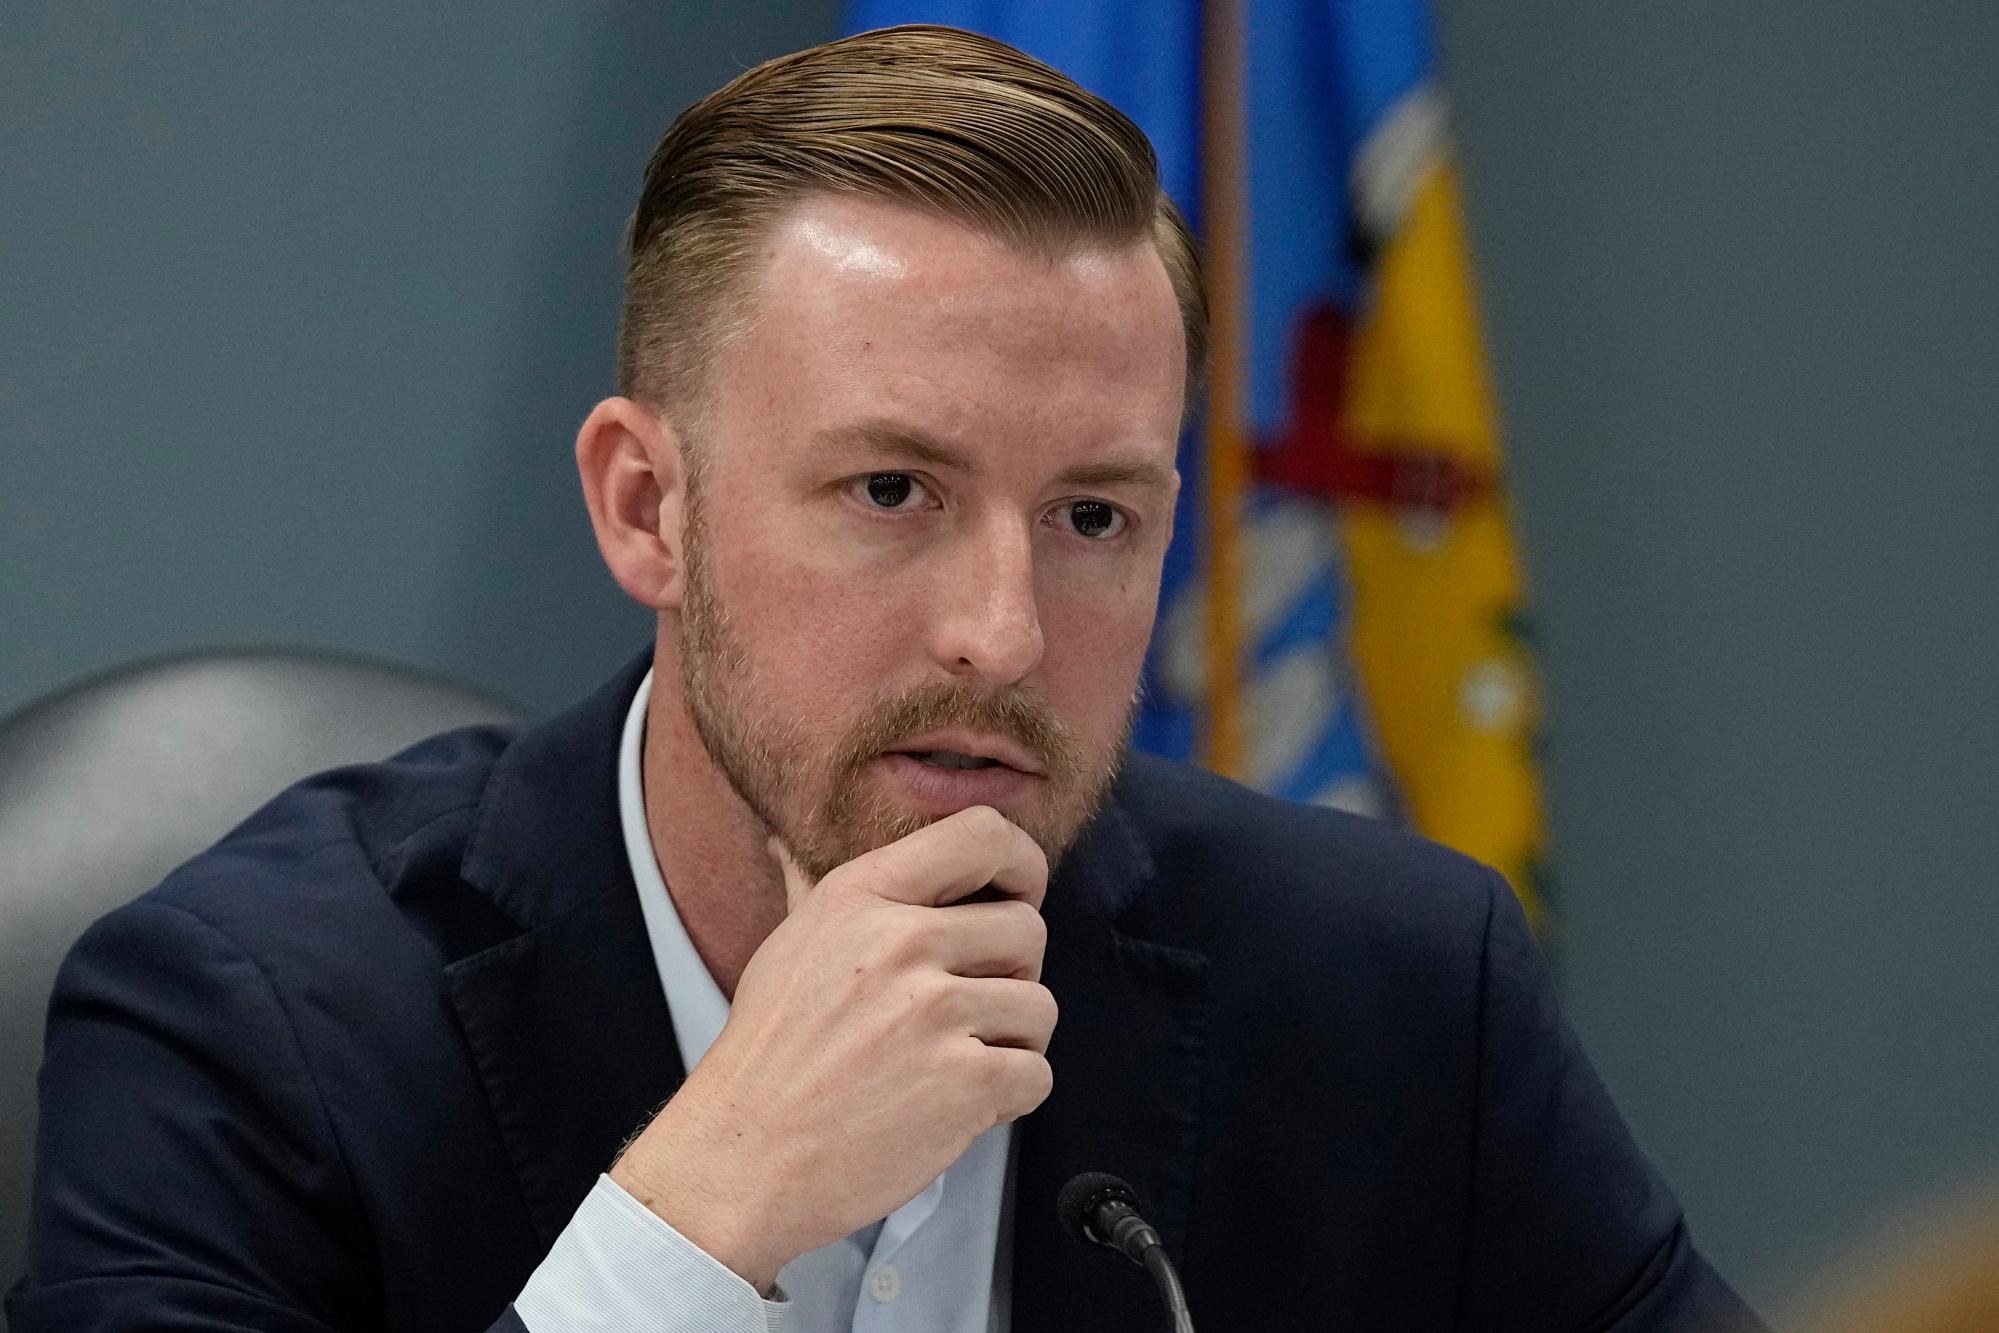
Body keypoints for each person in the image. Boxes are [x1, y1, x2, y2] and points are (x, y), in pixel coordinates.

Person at [7, 24, 1764, 1333]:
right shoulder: (243, 1029)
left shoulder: (1387, 992)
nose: (1002, 633)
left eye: (1092, 513)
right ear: (647, 504)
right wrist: (705, 1208)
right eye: (892, 491)